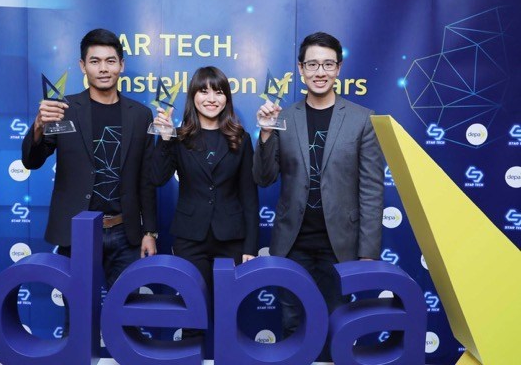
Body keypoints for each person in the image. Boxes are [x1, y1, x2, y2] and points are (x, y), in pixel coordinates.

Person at [253, 31, 384, 361]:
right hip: (292, 244)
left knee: (338, 328)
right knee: (293, 326)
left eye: (327, 64)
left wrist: (368, 252)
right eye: (312, 64)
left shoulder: (362, 119)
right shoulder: (283, 118)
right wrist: (266, 133)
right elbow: (264, 178)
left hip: (340, 246)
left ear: (338, 68)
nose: (320, 72)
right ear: (301, 69)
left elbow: (371, 188)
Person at [22, 28, 157, 291]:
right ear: (83, 66)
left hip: (125, 233)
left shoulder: (141, 115)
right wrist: (38, 126)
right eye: (95, 61)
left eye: (110, 61)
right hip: (77, 231)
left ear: (121, 65)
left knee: (126, 308)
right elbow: (32, 161)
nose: (103, 68)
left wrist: (149, 232)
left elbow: (146, 179)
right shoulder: (63, 110)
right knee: (77, 310)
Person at [150, 66, 259, 343]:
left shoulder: (241, 139)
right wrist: (164, 140)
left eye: (218, 92)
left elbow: (249, 194)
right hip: (190, 237)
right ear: (193, 97)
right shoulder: (178, 137)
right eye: (204, 91)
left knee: (227, 315)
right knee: (192, 314)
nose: (211, 98)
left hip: (231, 238)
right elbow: (157, 177)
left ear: (227, 98)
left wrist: (250, 246)